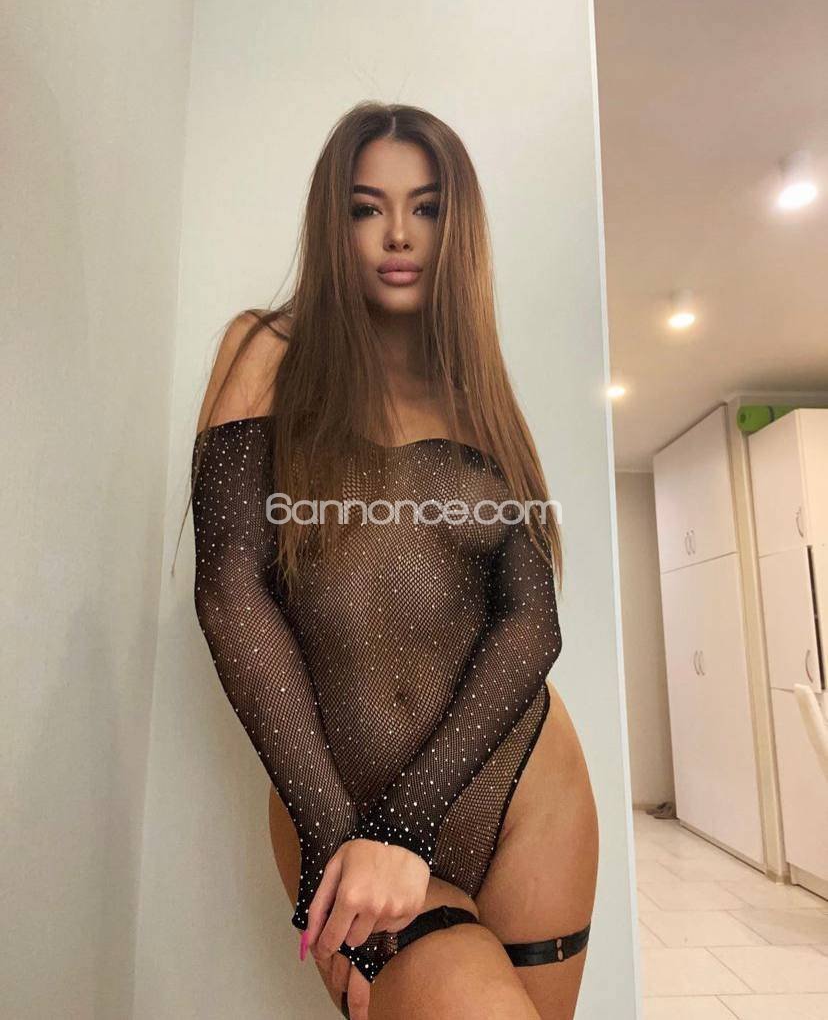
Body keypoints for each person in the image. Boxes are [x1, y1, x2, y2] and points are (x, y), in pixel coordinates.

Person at [185, 101, 598, 1020]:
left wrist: (409, 828)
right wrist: (344, 839)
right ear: (332, 223)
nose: (399, 234)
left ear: (459, 226)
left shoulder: (476, 391)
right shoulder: (269, 351)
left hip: (529, 793)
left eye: (427, 207)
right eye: (367, 207)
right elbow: (230, 591)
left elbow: (531, 621)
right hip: (338, 804)